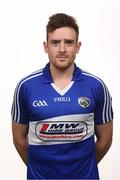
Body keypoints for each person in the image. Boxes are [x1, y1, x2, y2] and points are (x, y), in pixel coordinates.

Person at [11, 13, 113, 179]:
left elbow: (105, 140)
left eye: (69, 42)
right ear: (46, 46)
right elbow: (19, 140)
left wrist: (83, 169)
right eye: (55, 42)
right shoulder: (26, 87)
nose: (62, 49)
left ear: (78, 47)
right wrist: (39, 170)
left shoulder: (96, 86)